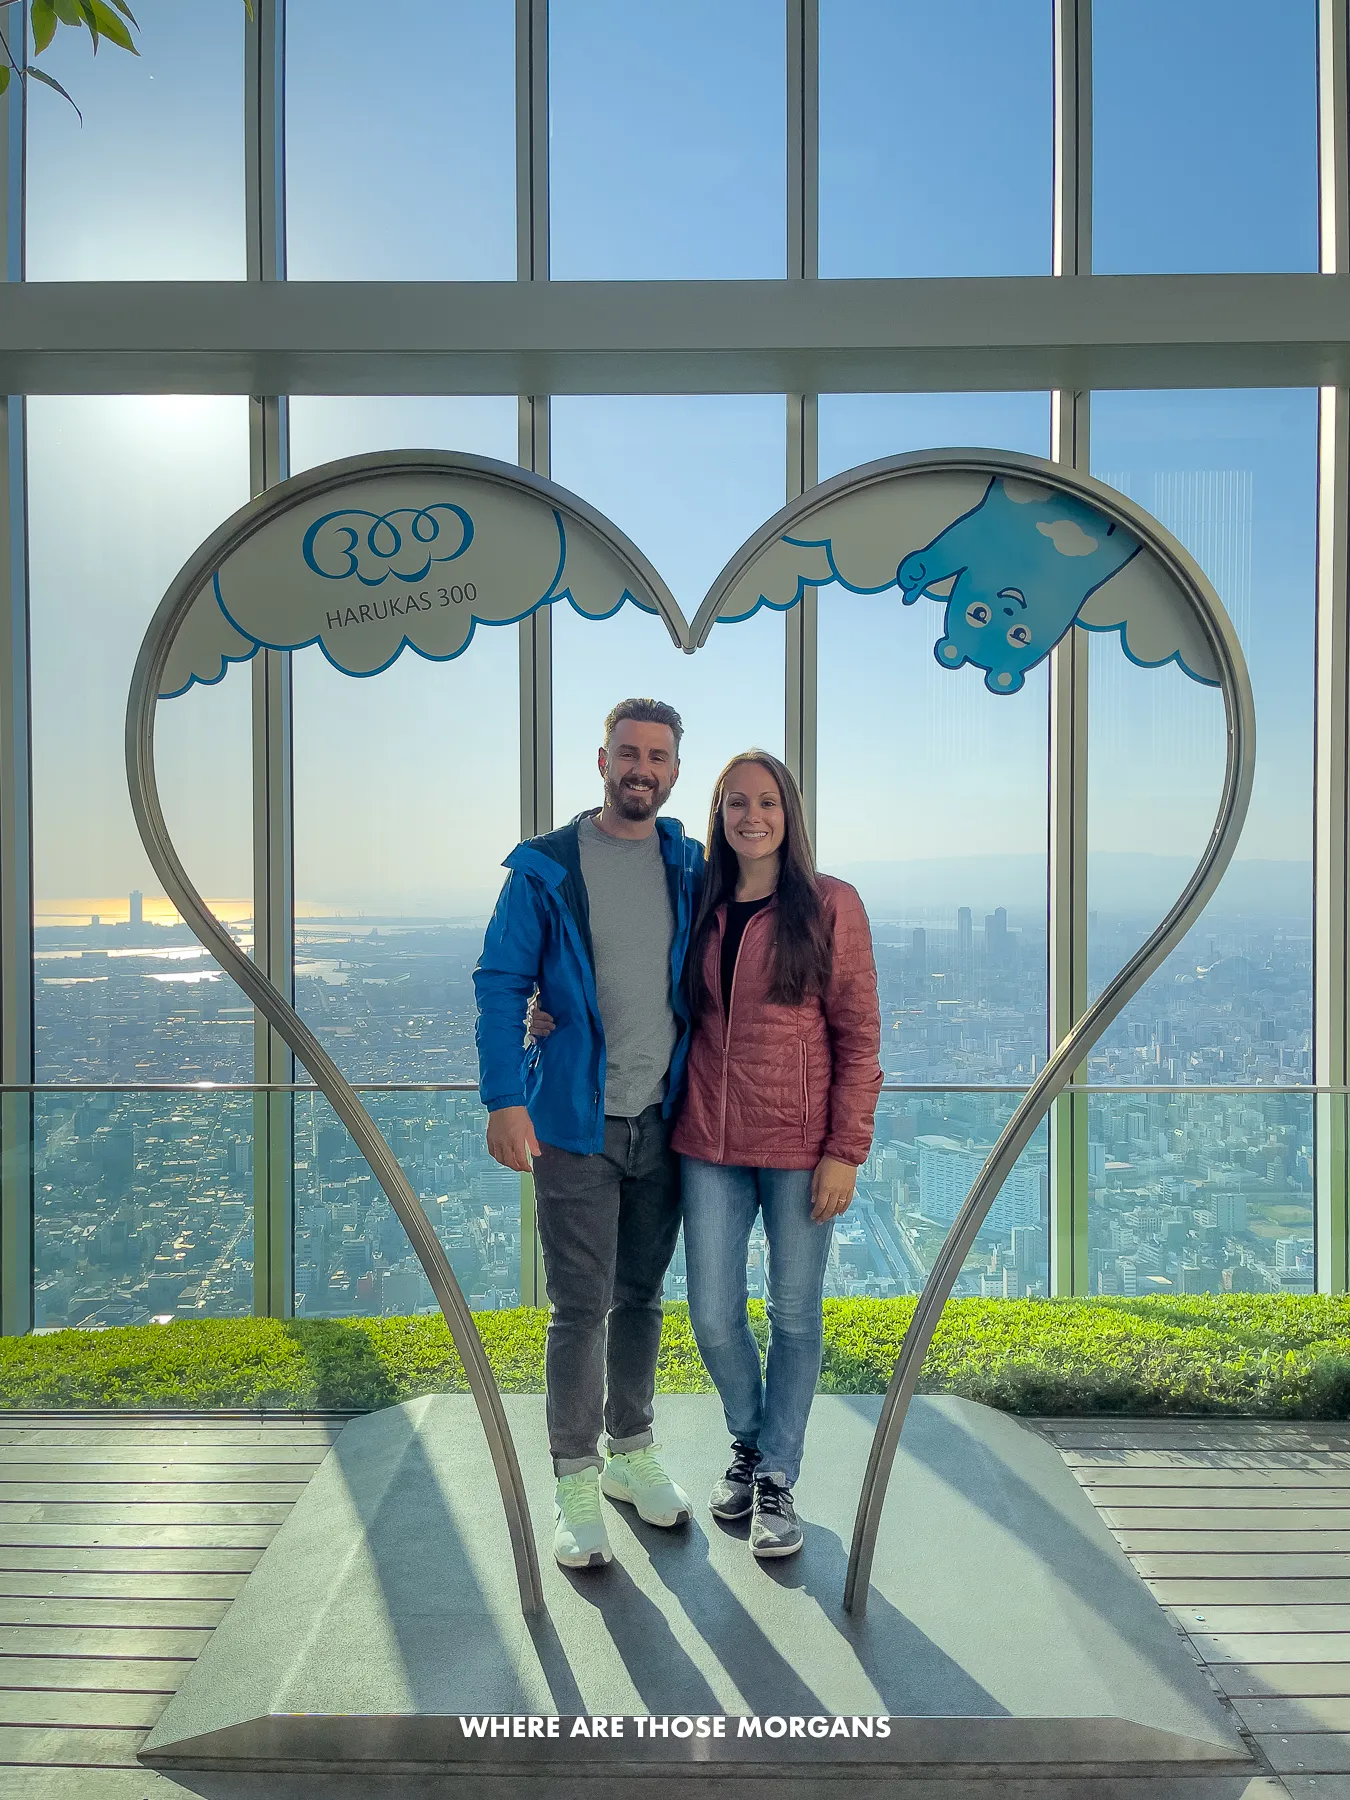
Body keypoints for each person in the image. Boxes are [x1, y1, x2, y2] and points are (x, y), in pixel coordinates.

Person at [474, 698, 705, 1572]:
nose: (642, 767)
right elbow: (501, 983)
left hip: (665, 1120)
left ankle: (632, 1451)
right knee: (580, 1308)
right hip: (572, 1124)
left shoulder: (691, 862)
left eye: (658, 755)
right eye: (628, 753)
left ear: (676, 771)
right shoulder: (543, 869)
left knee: (640, 1300)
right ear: (600, 761)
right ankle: (576, 1480)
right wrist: (505, 1097)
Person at [672, 750, 882, 1560]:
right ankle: (751, 1442)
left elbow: (859, 1036)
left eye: (765, 803)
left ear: (789, 814)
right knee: (715, 1316)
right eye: (734, 804)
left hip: (800, 1148)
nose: (750, 817)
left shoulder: (832, 905)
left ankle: (776, 1477)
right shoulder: (700, 900)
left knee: (794, 1314)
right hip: (708, 1142)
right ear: (718, 816)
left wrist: (845, 1151)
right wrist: (547, 1009)